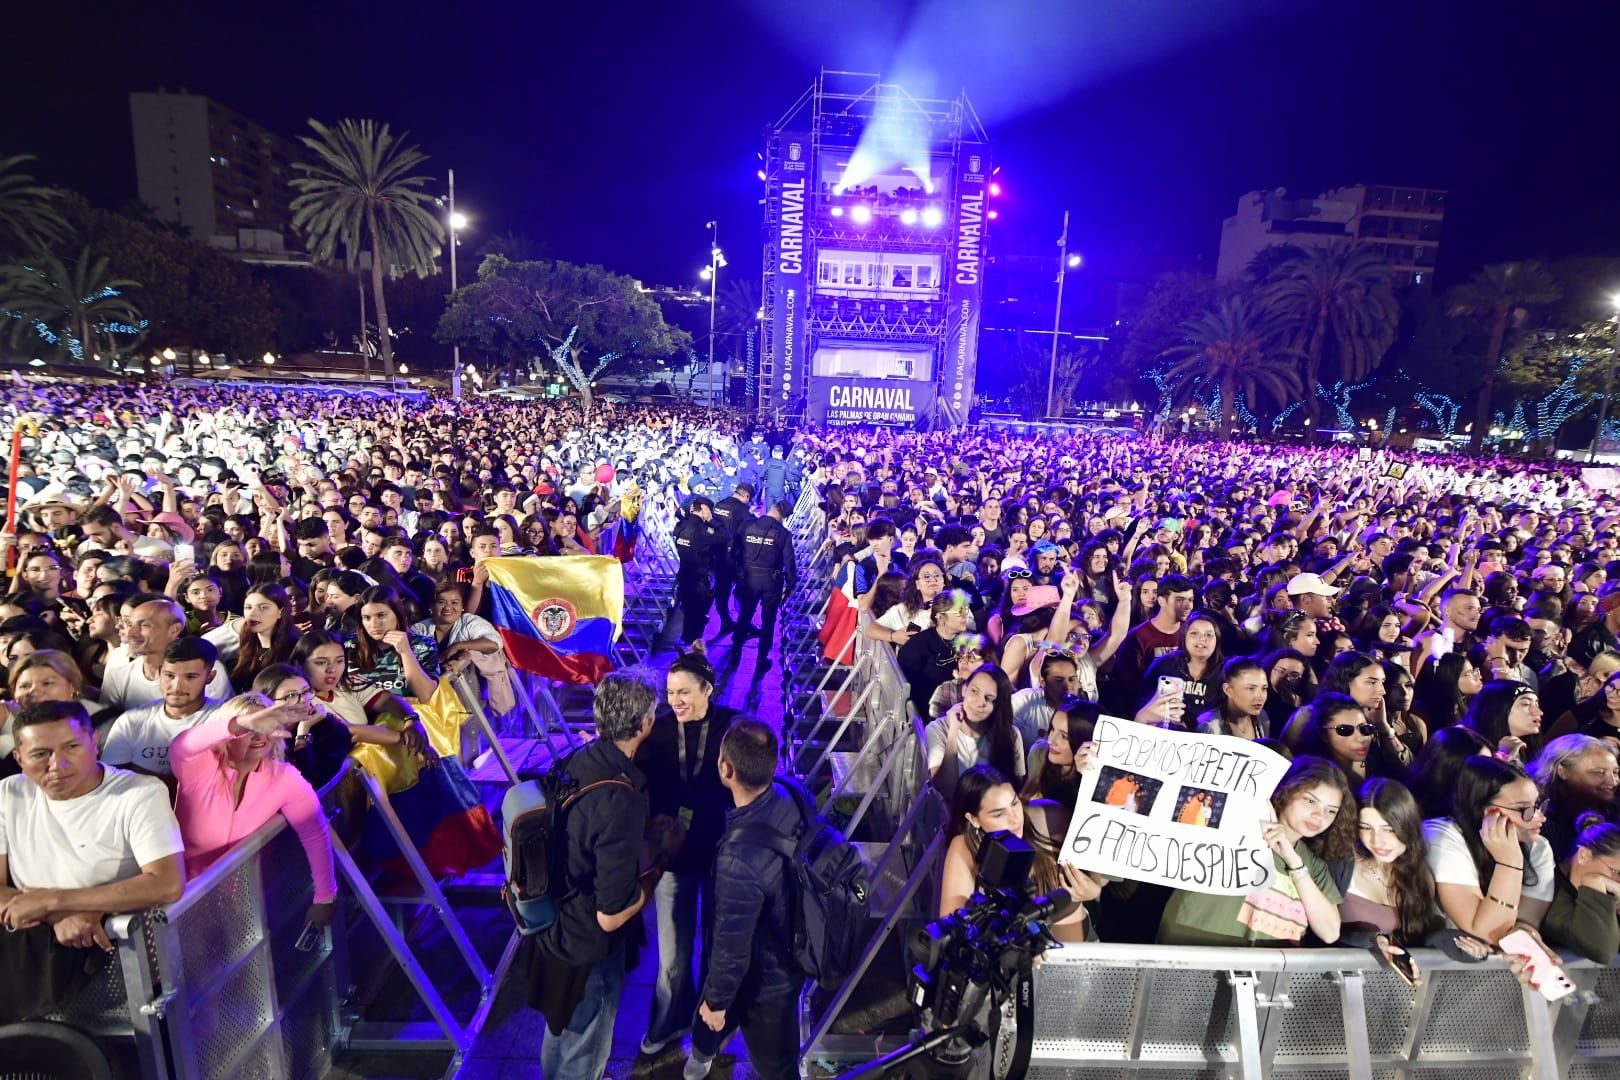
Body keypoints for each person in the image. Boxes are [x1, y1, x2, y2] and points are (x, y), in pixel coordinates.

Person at [526, 669, 681, 1080]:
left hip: (551, 919)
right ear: (646, 724)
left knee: (558, 1028)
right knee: (587, 1042)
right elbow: (612, 912)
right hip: (586, 943)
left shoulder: (576, 760)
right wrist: (660, 861)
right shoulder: (620, 795)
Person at [0, 700, 186, 1022]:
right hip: (31, 946)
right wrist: (55, 913)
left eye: (71, 747)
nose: (57, 764)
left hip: (111, 955)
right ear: (19, 759)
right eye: (40, 754)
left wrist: (53, 899)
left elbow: (167, 882)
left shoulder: (139, 793)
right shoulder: (7, 794)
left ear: (94, 742)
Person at [634, 651, 741, 1058]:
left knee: (718, 950)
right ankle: (667, 1022)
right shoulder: (658, 730)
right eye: (669, 692)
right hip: (671, 857)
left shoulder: (732, 726)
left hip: (719, 854)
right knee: (673, 956)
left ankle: (712, 1026)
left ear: (708, 690)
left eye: (684, 692)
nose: (675, 699)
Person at [685, 720, 804, 1080]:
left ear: (726, 769)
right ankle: (706, 1048)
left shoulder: (739, 859)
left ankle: (705, 1050)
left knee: (777, 1068)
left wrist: (717, 1003)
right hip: (789, 947)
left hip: (765, 980)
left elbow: (730, 945)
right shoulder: (791, 792)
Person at [169, 693, 336, 926]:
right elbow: (181, 745)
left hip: (242, 903)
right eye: (250, 728)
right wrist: (241, 723)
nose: (259, 736)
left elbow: (315, 833)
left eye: (265, 726)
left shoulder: (284, 777)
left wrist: (325, 897)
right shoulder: (201, 765)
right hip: (182, 898)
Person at [1158, 755, 1349, 946]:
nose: (1319, 815)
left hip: (1262, 971)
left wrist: (1294, 862)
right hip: (1192, 953)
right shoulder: (1236, 824)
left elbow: (1330, 932)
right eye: (1310, 801)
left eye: (1331, 810)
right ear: (1287, 791)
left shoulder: (1312, 864)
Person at [939, 764, 1096, 939]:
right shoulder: (965, 846)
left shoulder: (1050, 816)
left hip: (1079, 952)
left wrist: (1094, 891)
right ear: (973, 819)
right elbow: (951, 920)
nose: (1014, 819)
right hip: (1016, 960)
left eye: (1015, 803)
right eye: (999, 814)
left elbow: (1101, 875)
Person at [1423, 756, 1554, 944]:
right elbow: (1485, 932)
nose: (1539, 817)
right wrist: (1509, 863)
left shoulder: (1538, 847)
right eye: (1524, 809)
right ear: (1486, 811)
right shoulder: (1441, 837)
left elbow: (1519, 930)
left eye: (1538, 805)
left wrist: (1529, 936)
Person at [1336, 778, 1442, 956]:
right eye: (1366, 828)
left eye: (1389, 829)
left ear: (1407, 826)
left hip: (1393, 981)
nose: (1377, 841)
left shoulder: (1419, 875)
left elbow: (1421, 940)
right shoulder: (1342, 865)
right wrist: (1371, 940)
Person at [99, 637, 225, 778]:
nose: (177, 686)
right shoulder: (132, 721)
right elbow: (110, 781)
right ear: (160, 672)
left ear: (210, 677)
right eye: (169, 675)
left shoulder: (224, 719)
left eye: (190, 677)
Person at [101, 597, 233, 709]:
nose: (132, 633)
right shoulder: (118, 677)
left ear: (175, 630)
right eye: (130, 625)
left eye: (145, 625)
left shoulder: (207, 669)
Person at [925, 664, 1024, 804]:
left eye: (989, 699)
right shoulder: (938, 729)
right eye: (974, 691)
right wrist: (953, 731)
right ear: (965, 689)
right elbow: (945, 790)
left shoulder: (1011, 735)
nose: (980, 703)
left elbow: (1014, 789)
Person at [1528, 733, 1620, 864]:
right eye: (1599, 772)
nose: (1613, 781)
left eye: (1615, 772)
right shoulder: (1542, 819)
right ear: (1562, 771)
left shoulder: (1614, 811)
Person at [1540, 814, 1620, 963]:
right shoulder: (1548, 888)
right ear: (1584, 855)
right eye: (1618, 873)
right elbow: (1601, 948)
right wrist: (1595, 882)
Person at [733, 500, 798, 671]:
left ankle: (735, 651)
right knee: (768, 620)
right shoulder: (783, 534)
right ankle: (762, 658)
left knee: (745, 615)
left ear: (772, 508)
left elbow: (735, 551)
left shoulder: (747, 525)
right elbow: (789, 562)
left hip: (749, 578)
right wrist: (791, 585)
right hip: (772, 580)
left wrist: (739, 573)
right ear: (784, 517)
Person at [899, 590, 973, 720]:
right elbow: (907, 688)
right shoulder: (918, 645)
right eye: (959, 612)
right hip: (930, 712)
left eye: (966, 612)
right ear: (940, 616)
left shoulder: (969, 641)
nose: (965, 617)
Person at [673, 496, 720, 646]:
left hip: (683, 576)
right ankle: (693, 648)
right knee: (696, 618)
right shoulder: (702, 531)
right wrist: (712, 520)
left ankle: (686, 639)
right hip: (698, 580)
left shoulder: (680, 527)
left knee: (688, 613)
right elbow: (724, 538)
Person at [1463, 680, 1545, 765]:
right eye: (1526, 704)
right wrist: (1503, 757)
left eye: (1536, 704)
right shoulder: (1475, 751)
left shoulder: (1524, 749)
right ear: (1498, 708)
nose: (1539, 712)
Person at [1196, 658, 1270, 740]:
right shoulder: (1207, 725)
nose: (1260, 697)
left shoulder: (1263, 718)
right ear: (1228, 690)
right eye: (1251, 688)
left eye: (1264, 688)